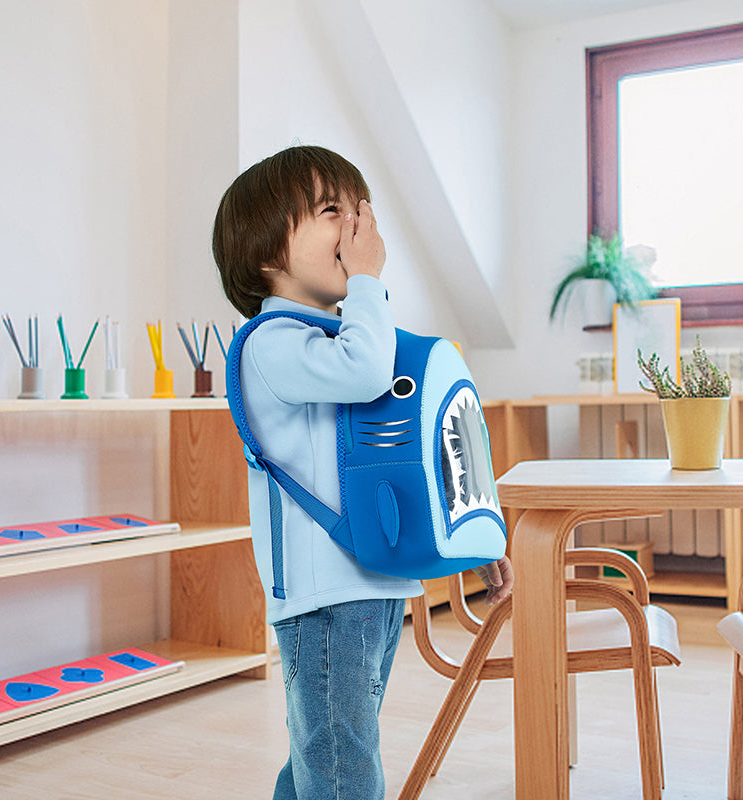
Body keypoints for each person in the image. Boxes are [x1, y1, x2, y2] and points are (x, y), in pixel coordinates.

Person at [212, 144, 513, 800]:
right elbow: (372, 370)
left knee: (323, 758)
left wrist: (476, 538)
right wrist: (369, 281)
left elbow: (411, 454)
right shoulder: (272, 344)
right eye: (330, 212)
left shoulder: (336, 340)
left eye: (359, 212)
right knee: (343, 767)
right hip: (326, 598)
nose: (356, 229)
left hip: (368, 588)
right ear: (267, 254)